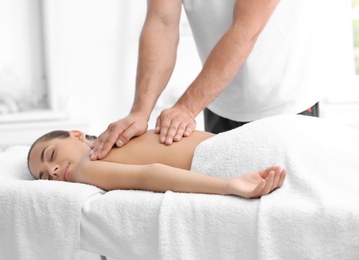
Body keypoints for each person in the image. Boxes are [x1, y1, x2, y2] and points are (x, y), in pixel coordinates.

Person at [89, 0, 335, 160]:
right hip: (219, 101)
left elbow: (246, 30)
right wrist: (140, 112)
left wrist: (186, 107)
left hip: (285, 101)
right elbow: (161, 23)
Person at [27, 129, 286, 199]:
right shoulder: (87, 169)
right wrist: (229, 185)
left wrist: (230, 185)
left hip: (231, 150)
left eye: (51, 156)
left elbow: (151, 174)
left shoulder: (88, 161)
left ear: (76, 134)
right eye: (45, 177)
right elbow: (150, 174)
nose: (53, 171)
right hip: (245, 142)